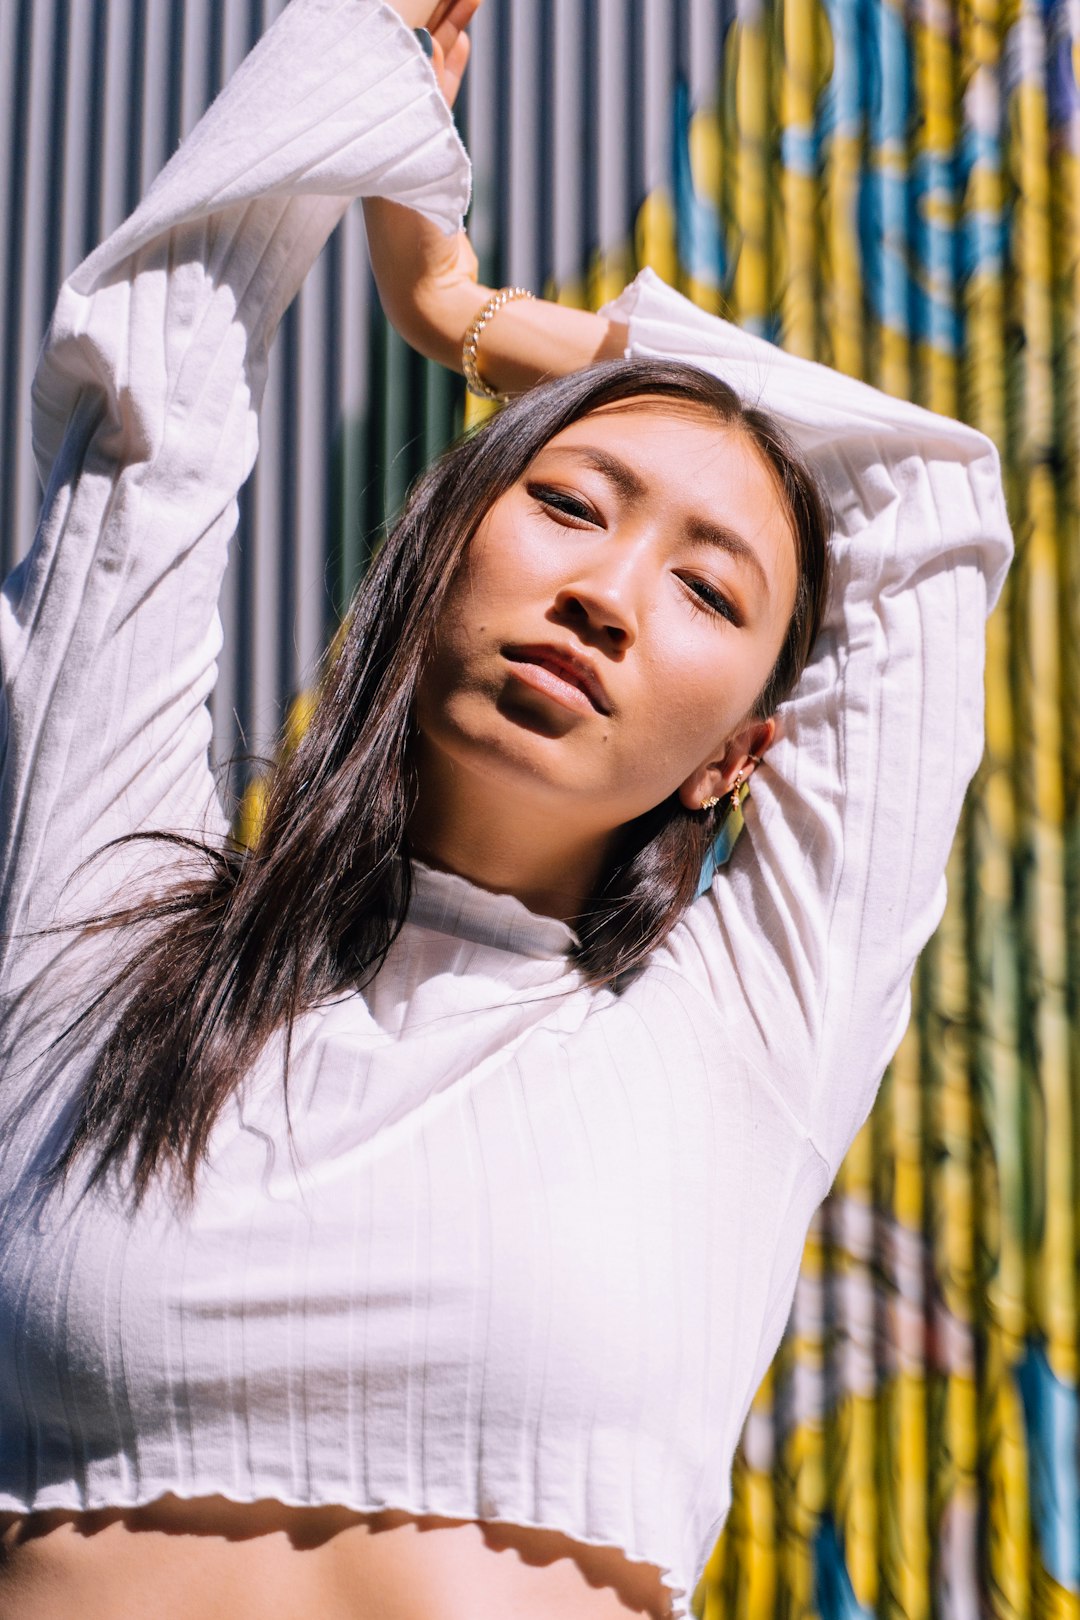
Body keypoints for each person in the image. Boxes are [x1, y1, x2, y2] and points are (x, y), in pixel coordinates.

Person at [0, 1, 1012, 1617]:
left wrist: (468, 315)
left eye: (704, 584)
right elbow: (147, 413)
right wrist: (357, 50)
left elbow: (919, 494)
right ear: (434, 562)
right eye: (564, 504)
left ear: (739, 756)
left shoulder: (740, 1038)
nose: (608, 593)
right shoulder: (103, 946)